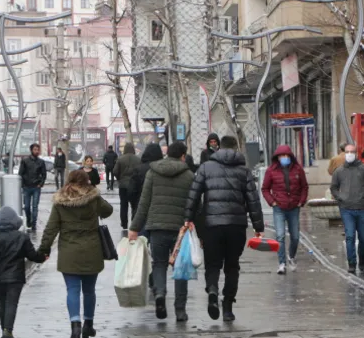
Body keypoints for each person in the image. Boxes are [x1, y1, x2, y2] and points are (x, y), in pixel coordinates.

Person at [185, 135, 263, 322]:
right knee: (232, 265)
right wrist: (258, 226)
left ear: (219, 147)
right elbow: (253, 200)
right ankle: (227, 307)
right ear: (236, 148)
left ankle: (212, 290)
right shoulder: (244, 171)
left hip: (212, 225)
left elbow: (193, 195)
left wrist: (188, 218)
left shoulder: (205, 167)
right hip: (236, 226)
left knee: (212, 264)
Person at [38, 170, 114, 338]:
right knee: (89, 291)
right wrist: (96, 195)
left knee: (72, 290)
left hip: (69, 252)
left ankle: (75, 326)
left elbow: (51, 228)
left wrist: (44, 248)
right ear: (86, 182)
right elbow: (108, 211)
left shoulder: (60, 201)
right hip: (91, 251)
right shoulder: (93, 198)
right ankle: (88, 324)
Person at [128, 142, 195, 322]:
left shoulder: (153, 172)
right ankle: (180, 310)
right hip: (180, 230)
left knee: (159, 264)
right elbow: (195, 204)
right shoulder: (189, 175)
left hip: (156, 227)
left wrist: (134, 228)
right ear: (183, 156)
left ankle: (159, 294)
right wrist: (199, 231)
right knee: (181, 268)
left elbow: (144, 204)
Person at [0, 207, 47, 338]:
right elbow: (32, 255)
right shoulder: (21, 237)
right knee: (12, 303)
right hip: (15, 277)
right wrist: (42, 257)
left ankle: (4, 330)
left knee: (2, 304)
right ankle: (8, 330)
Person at [330, 144, 364, 273]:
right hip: (346, 208)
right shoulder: (339, 171)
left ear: (356, 153)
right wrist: (340, 197)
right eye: (347, 152)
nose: (349, 154)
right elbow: (333, 187)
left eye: (352, 152)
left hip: (362, 207)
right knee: (349, 236)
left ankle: (361, 259)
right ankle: (352, 263)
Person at [261, 145, 309, 275]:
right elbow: (265, 189)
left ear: (290, 157)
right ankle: (281, 263)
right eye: (282, 156)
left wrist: (301, 201)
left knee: (295, 236)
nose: (284, 158)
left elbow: (304, 187)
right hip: (279, 208)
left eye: (287, 156)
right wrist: (273, 202)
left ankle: (291, 256)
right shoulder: (271, 170)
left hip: (294, 207)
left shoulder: (298, 169)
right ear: (277, 157)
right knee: (280, 236)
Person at [18, 143, 47, 230]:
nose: (36, 151)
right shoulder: (25, 161)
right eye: (35, 149)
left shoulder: (41, 162)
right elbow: (20, 173)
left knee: (35, 206)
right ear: (31, 150)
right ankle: (28, 220)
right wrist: (22, 185)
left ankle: (33, 224)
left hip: (36, 187)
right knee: (26, 206)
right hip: (26, 187)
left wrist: (40, 184)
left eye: (38, 149)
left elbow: (44, 175)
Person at [129, 143, 163, 213]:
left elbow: (131, 191)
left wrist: (135, 206)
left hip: (141, 209)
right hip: (159, 210)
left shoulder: (138, 170)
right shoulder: (163, 169)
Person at [113, 143, 140, 229]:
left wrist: (119, 179)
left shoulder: (120, 159)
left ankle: (124, 223)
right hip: (134, 185)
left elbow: (115, 171)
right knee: (135, 205)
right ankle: (134, 222)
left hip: (123, 186)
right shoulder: (138, 159)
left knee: (123, 205)